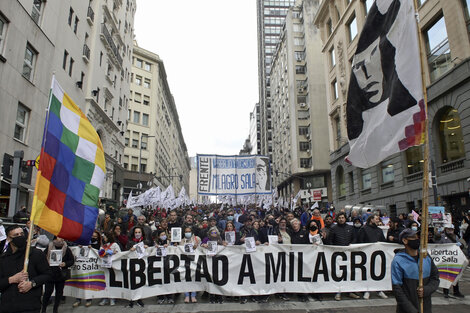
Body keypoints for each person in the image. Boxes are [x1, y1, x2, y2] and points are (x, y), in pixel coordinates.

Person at [0, 225, 52, 313]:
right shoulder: (3, 258)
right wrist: (11, 279)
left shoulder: (36, 254)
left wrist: (32, 283)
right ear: (9, 239)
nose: (20, 237)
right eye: (16, 235)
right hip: (7, 306)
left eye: (22, 234)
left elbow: (48, 274)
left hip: (30, 306)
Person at [392, 228, 440, 313]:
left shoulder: (425, 257)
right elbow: (397, 290)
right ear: (405, 241)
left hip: (425, 308)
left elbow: (435, 278)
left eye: (418, 237)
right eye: (414, 237)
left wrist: (427, 289)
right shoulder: (398, 261)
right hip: (407, 310)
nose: (417, 239)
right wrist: (411, 310)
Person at [327, 213, 360, 301]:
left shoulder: (350, 228)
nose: (341, 219)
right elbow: (330, 241)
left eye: (343, 218)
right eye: (339, 218)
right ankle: (338, 292)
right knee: (339, 274)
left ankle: (350, 291)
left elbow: (354, 238)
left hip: (349, 255)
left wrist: (351, 245)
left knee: (350, 273)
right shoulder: (333, 229)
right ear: (337, 219)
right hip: (338, 255)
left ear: (345, 219)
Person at [357, 214, 388, 299]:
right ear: (371, 220)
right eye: (377, 219)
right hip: (366, 256)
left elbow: (383, 241)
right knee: (366, 273)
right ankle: (366, 290)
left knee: (377, 273)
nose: (378, 220)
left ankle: (379, 290)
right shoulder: (364, 229)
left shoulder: (379, 230)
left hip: (377, 256)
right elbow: (360, 241)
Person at [41, 237, 74, 313]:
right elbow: (42, 257)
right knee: (48, 292)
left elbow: (72, 261)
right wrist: (47, 262)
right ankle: (43, 309)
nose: (62, 239)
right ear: (55, 239)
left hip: (60, 274)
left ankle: (55, 309)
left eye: (63, 238)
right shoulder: (49, 247)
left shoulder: (67, 249)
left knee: (59, 293)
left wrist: (65, 263)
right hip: (50, 274)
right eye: (60, 237)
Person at [436, 224, 465, 298]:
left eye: (451, 229)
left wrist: (460, 245)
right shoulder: (442, 236)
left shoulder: (456, 237)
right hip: (445, 259)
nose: (450, 230)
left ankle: (456, 291)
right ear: (445, 229)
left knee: (455, 275)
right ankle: (446, 291)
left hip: (454, 259)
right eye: (448, 229)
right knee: (446, 275)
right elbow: (438, 246)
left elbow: (462, 246)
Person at [98, 232, 121, 306]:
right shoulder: (103, 246)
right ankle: (105, 298)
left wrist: (111, 252)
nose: (104, 238)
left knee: (112, 282)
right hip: (105, 267)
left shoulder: (114, 244)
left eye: (105, 237)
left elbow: (119, 253)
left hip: (113, 267)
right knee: (105, 282)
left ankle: (113, 298)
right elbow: (100, 254)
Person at [180, 226, 200, 303]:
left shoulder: (196, 239)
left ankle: (193, 295)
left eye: (189, 231)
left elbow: (201, 248)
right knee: (186, 277)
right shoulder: (182, 240)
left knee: (194, 277)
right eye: (186, 231)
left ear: (191, 232)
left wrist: (196, 246)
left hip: (194, 261)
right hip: (185, 261)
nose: (187, 233)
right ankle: (187, 295)